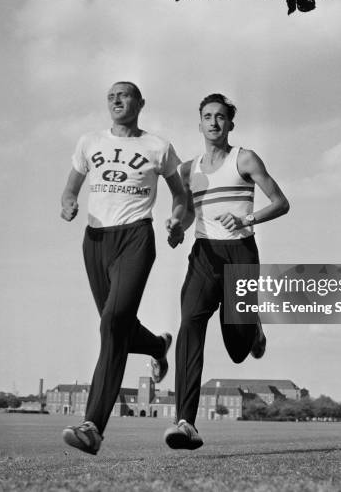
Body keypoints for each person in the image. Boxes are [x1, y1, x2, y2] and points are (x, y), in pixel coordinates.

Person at [61, 81, 186, 455]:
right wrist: (67, 203)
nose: (116, 100)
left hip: (135, 238)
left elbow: (181, 194)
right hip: (96, 241)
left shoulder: (158, 147)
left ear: (140, 103)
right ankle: (155, 344)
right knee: (115, 323)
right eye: (111, 96)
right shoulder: (89, 142)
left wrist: (177, 220)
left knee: (112, 322)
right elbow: (70, 189)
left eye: (124, 95)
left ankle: (92, 427)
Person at [164, 93, 289, 450]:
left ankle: (253, 329)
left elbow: (281, 203)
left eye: (221, 117)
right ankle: (185, 422)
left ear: (230, 123)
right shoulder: (188, 170)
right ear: (199, 123)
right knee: (189, 325)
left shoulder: (244, 159)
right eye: (207, 116)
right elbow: (187, 214)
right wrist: (177, 228)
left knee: (237, 348)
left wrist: (246, 218)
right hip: (203, 254)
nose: (214, 122)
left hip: (240, 254)